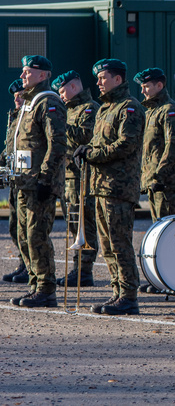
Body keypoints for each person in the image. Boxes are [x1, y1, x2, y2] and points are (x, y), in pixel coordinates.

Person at [75, 59, 143, 315]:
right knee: (106, 245)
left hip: (119, 187)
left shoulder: (130, 108)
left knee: (119, 243)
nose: (99, 83)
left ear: (118, 79)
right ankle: (117, 293)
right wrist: (88, 150)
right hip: (101, 185)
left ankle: (128, 295)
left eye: (103, 78)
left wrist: (93, 154)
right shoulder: (105, 108)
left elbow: (126, 144)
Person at [8, 56, 66, 308]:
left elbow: (58, 144)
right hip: (23, 182)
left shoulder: (49, 102)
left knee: (36, 235)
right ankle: (35, 285)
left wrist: (46, 178)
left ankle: (45, 289)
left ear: (43, 75)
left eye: (28, 72)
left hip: (38, 183)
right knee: (23, 235)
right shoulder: (29, 103)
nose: (23, 76)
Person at [53, 71, 100, 288]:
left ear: (73, 87)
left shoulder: (89, 109)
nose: (61, 96)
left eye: (62, 91)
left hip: (83, 178)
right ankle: (76, 269)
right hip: (68, 177)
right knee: (73, 225)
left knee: (84, 225)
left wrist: (62, 122)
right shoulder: (69, 110)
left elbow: (85, 137)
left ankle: (84, 271)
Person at [134, 68, 175, 223]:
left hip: (168, 185)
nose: (143, 91)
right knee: (158, 231)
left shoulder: (169, 111)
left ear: (159, 85)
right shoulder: (152, 111)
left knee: (169, 232)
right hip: (156, 183)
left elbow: (173, 147)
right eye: (142, 87)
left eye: (146, 86)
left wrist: (159, 176)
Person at [2, 79, 26, 284]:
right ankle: (23, 263)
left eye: (20, 94)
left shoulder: (29, 116)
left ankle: (30, 267)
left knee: (28, 228)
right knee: (14, 226)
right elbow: (9, 149)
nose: (16, 98)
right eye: (14, 96)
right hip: (14, 178)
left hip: (27, 179)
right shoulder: (15, 116)